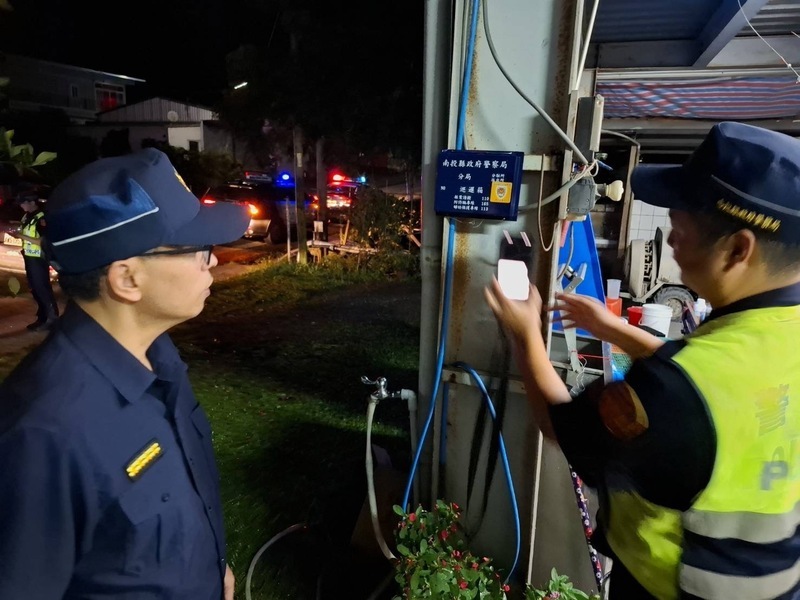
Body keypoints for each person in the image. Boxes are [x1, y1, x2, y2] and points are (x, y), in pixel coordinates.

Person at [484, 121, 800, 599]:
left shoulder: (670, 393)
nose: (669, 241)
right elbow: (725, 376)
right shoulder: (778, 324)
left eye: (680, 230)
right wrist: (612, 328)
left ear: (738, 249)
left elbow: (561, 425)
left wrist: (526, 333)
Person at [0, 148, 249, 599]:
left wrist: (209, 574)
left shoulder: (160, 358)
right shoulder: (42, 433)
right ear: (127, 279)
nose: (212, 262)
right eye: (199, 250)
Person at [7, 191, 60, 330]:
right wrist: (18, 236)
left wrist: (21, 236)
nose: (21, 206)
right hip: (29, 257)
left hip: (39, 258)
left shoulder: (41, 218)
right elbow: (27, 235)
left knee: (42, 288)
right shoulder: (27, 216)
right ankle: (43, 317)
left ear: (32, 202)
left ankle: (51, 319)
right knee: (35, 289)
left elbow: (41, 241)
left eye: (23, 203)